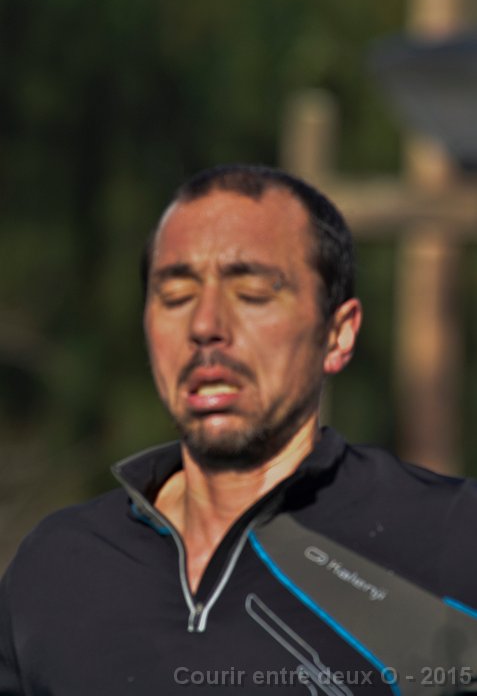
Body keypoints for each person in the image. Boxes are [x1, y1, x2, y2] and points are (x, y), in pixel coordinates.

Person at [1, 164, 477, 696]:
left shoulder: (452, 541)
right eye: (175, 296)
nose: (205, 326)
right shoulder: (58, 566)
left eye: (252, 294)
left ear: (338, 334)